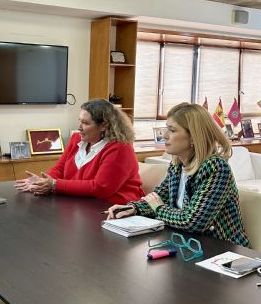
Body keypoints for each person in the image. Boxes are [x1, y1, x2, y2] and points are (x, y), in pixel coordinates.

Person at [107, 102, 249, 246]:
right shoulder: (177, 165)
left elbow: (193, 222)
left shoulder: (216, 168)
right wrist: (133, 208)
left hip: (222, 251)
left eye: (172, 130)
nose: (164, 135)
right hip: (189, 244)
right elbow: (157, 198)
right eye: (166, 129)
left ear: (193, 137)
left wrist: (159, 208)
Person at [15, 98, 144, 202]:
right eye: (80, 121)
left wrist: (54, 185)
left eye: (86, 123)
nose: (79, 127)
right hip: (81, 203)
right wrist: (43, 182)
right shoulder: (76, 138)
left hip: (115, 208)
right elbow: (60, 169)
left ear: (104, 125)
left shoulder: (120, 148)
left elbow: (100, 188)